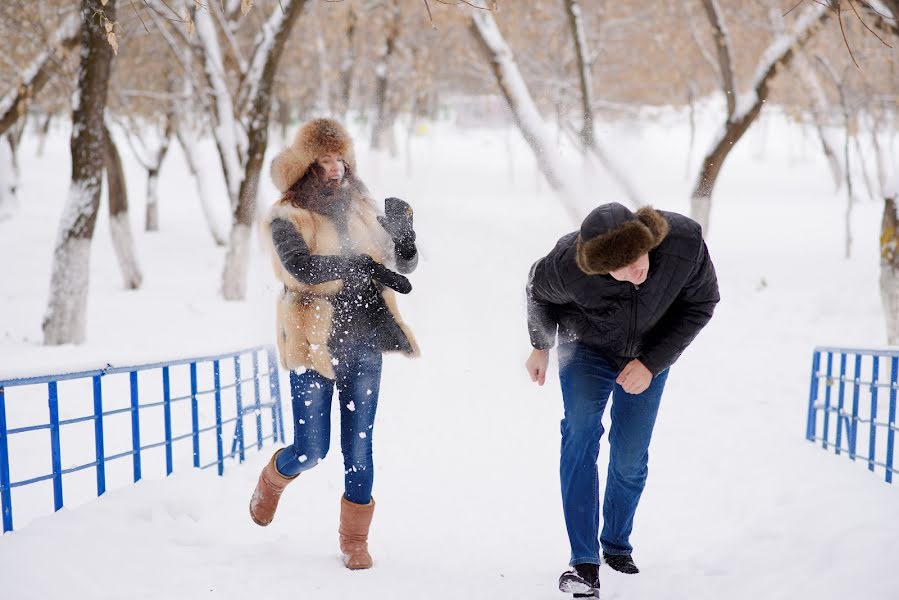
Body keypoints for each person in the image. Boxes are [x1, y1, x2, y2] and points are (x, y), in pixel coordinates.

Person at [249, 118, 420, 571]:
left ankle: (354, 541)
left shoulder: (363, 207)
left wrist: (404, 238)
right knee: (311, 449)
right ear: (305, 166)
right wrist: (359, 265)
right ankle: (274, 478)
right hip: (312, 342)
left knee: (359, 446)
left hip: (363, 340)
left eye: (339, 158)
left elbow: (399, 263)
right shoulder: (287, 215)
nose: (335, 168)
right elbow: (300, 268)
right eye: (324, 160)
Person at [525, 202, 719, 597]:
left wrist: (651, 362)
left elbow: (702, 302)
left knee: (630, 454)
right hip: (586, 346)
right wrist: (540, 345)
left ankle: (615, 544)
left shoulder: (683, 242)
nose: (635, 270)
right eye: (620, 267)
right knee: (580, 435)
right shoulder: (567, 265)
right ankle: (584, 562)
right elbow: (537, 290)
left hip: (650, 352)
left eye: (638, 256)